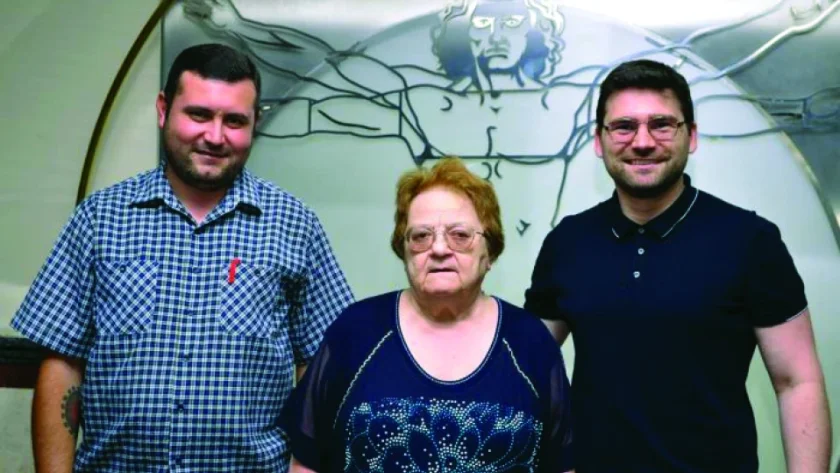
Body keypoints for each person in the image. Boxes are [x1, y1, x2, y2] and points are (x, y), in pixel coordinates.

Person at [11, 43, 353, 472]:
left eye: (234, 121)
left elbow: (323, 364)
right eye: (199, 115)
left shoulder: (294, 225)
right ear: (163, 110)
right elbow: (63, 362)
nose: (215, 136)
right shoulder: (100, 219)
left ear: (255, 124)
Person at [525, 59, 831, 473]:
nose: (643, 141)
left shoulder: (750, 240)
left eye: (662, 125)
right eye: (624, 126)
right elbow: (527, 369)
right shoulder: (568, 242)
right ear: (599, 140)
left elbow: (797, 382)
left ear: (692, 136)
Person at [281, 157, 574, 473]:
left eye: (459, 235)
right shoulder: (354, 332)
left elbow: (562, 465)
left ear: (489, 251)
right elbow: (305, 462)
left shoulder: (530, 342)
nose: (439, 249)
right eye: (421, 236)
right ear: (403, 250)